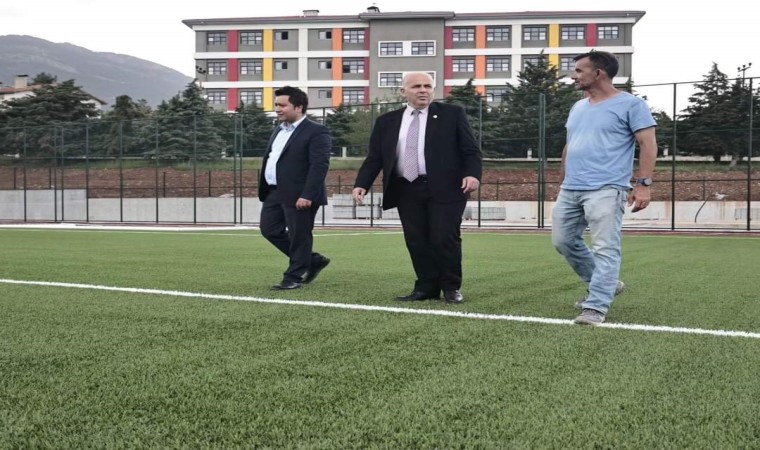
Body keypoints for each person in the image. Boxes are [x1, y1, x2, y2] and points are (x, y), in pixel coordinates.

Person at [352, 72, 482, 303]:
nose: (423, 90)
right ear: (403, 92)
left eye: (427, 86)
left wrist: (472, 174)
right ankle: (426, 287)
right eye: (416, 86)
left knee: (444, 237)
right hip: (406, 189)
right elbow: (375, 157)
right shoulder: (387, 121)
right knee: (416, 240)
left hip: (446, 188)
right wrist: (362, 184)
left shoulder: (452, 114)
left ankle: (451, 287)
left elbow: (471, 150)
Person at [552, 50, 658, 325]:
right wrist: (562, 180)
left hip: (607, 188)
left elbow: (647, 144)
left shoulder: (631, 105)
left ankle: (596, 306)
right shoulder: (578, 107)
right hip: (571, 188)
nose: (574, 76)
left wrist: (643, 184)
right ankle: (607, 284)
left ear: (598, 73)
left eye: (579, 70)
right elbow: (570, 145)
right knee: (563, 241)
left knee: (605, 247)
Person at [258, 86, 332, 290]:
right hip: (274, 192)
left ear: (299, 107)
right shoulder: (278, 130)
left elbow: (319, 165)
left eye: (282, 105)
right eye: (276, 105)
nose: (277, 109)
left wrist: (308, 194)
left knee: (300, 235)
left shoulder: (317, 131)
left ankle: (293, 277)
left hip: (301, 194)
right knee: (269, 230)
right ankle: (313, 260)